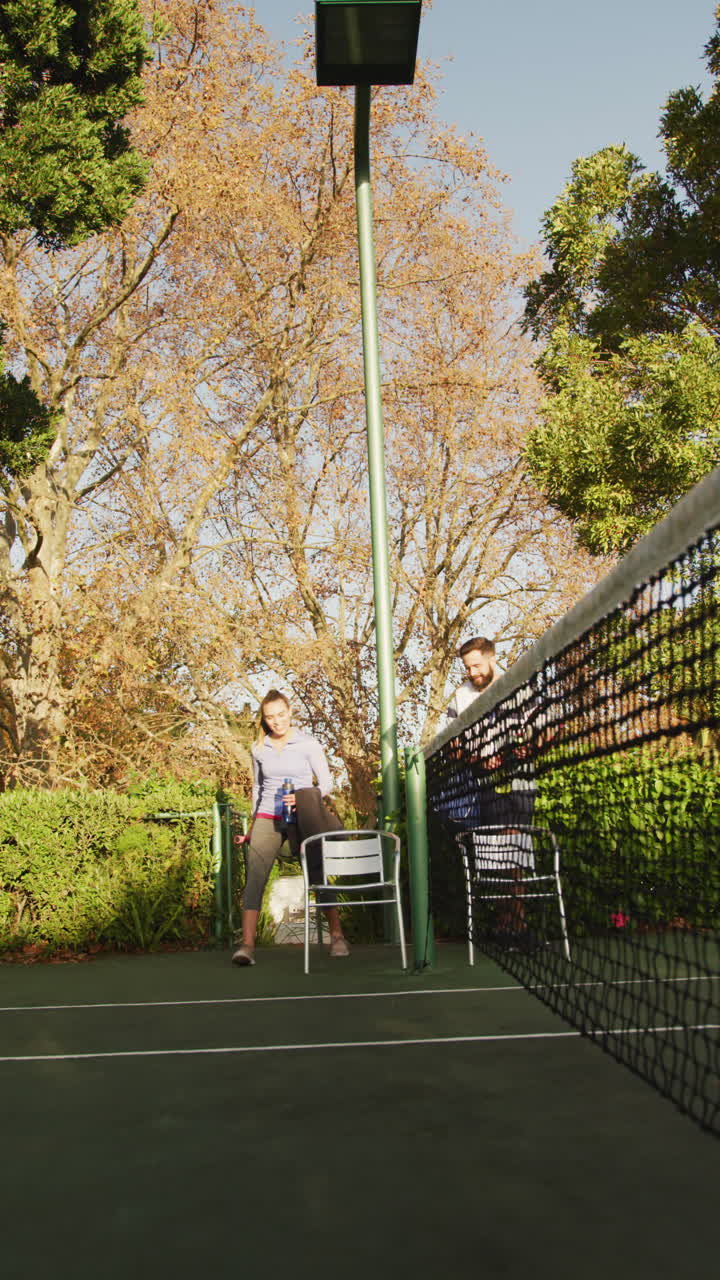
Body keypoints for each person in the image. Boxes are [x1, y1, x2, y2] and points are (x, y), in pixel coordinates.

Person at [231, 690, 350, 967]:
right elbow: (258, 787)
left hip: (304, 814)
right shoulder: (258, 748)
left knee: (317, 870)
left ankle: (337, 936)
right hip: (267, 816)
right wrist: (253, 823)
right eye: (270, 717)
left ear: (289, 712)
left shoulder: (308, 744)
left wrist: (301, 797)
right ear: (264, 719)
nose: (276, 721)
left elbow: (327, 784)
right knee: (256, 876)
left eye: (281, 715)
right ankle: (247, 946)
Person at [445, 635, 502, 722]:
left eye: (476, 666)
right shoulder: (459, 697)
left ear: (492, 661)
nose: (472, 673)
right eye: (467, 668)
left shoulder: (518, 690)